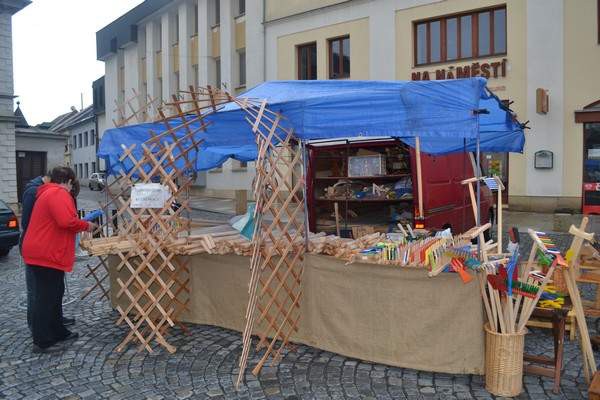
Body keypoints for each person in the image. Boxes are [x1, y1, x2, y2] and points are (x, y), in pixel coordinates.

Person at [21, 166, 96, 353]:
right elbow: (66, 221)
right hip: (45, 253)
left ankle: (57, 331)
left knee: (54, 294)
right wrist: (86, 225)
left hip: (45, 252)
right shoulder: (57, 193)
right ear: (68, 181)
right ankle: (42, 341)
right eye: (72, 184)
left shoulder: (49, 192)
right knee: (46, 298)